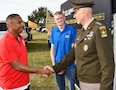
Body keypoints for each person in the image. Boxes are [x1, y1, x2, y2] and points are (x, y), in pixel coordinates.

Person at [45, 0, 115, 90]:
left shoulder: (99, 30)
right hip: (82, 81)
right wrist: (54, 68)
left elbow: (107, 65)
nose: (74, 16)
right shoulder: (81, 32)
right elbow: (72, 54)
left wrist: (105, 87)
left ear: (83, 12)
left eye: (75, 12)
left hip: (95, 84)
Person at [0, 14, 52, 90]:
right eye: (19, 23)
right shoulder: (6, 42)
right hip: (12, 85)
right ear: (9, 25)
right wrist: (40, 71)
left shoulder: (20, 38)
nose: (22, 25)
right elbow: (16, 65)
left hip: (24, 82)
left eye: (22, 22)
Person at [49, 11, 77, 90]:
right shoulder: (53, 31)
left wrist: (69, 64)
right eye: (57, 19)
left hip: (70, 65)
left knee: (72, 87)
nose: (59, 20)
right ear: (54, 21)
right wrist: (54, 65)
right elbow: (52, 50)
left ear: (64, 18)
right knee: (61, 87)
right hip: (58, 64)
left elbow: (73, 50)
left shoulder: (72, 30)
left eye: (61, 18)